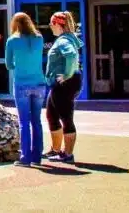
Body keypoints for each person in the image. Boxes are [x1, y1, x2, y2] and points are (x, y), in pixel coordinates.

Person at [5, 12, 46, 166]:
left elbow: (9, 65)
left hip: (22, 84)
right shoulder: (39, 38)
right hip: (39, 83)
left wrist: (19, 65)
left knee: (24, 122)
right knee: (37, 121)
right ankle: (37, 157)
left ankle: (25, 157)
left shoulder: (12, 40)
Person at [45, 11, 83, 164]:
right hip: (62, 83)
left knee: (66, 118)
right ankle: (56, 150)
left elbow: (71, 55)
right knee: (51, 115)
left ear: (58, 25)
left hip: (65, 83)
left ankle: (68, 154)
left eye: (51, 23)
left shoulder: (63, 41)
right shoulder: (67, 38)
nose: (50, 26)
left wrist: (67, 75)